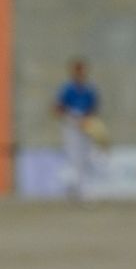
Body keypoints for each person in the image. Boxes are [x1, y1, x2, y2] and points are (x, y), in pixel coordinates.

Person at [53, 58, 103, 201]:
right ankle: (73, 188)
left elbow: (94, 108)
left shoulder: (89, 89)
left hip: (86, 124)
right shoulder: (67, 89)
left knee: (86, 156)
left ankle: (83, 188)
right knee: (73, 156)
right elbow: (57, 108)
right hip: (71, 124)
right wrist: (71, 119)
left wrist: (88, 120)